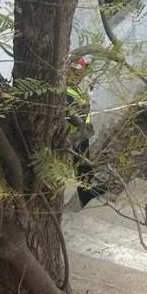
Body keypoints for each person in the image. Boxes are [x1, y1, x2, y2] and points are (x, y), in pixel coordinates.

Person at [66, 57, 107, 207]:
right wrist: (86, 104)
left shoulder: (74, 87)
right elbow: (76, 116)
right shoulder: (66, 92)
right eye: (78, 72)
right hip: (75, 134)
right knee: (81, 166)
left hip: (82, 133)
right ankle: (86, 194)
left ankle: (89, 188)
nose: (81, 75)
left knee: (85, 164)